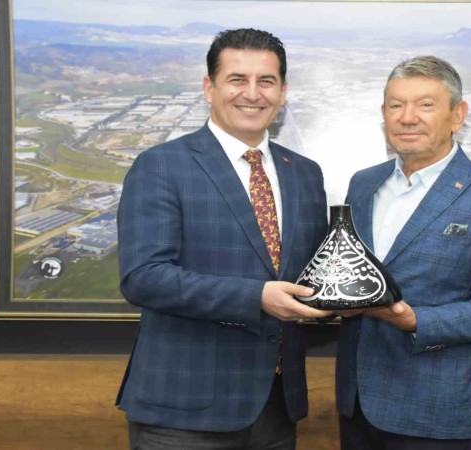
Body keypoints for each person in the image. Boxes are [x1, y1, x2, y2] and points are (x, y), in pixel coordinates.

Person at [115, 28, 330, 449]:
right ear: (209, 88)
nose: (252, 93)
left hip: (276, 409)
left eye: (266, 81)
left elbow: (312, 274)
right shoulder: (161, 166)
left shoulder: (305, 173)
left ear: (283, 92)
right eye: (237, 79)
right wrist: (256, 297)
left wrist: (350, 296)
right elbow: (143, 277)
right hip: (182, 412)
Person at [336, 55, 471, 449]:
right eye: (396, 105)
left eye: (425, 104)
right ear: (384, 114)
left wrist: (415, 320)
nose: (408, 117)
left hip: (437, 414)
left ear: (458, 115)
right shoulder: (363, 184)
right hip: (357, 406)